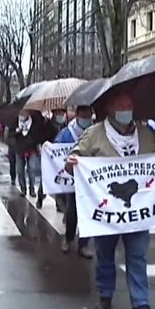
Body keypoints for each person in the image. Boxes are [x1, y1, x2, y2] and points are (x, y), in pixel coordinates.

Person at [65, 92, 155, 309]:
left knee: (138, 256)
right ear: (109, 109)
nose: (126, 110)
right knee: (105, 255)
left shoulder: (145, 134)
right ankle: (105, 297)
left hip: (137, 211)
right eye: (121, 106)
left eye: (129, 105)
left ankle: (141, 303)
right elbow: (73, 160)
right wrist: (73, 163)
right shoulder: (94, 134)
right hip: (105, 212)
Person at [55, 106, 94, 258]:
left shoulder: (96, 132)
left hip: (91, 181)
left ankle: (84, 244)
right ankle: (68, 238)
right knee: (72, 213)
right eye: (83, 115)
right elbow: (56, 151)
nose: (86, 118)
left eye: (88, 115)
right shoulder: (66, 133)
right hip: (73, 181)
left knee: (88, 213)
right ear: (77, 116)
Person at [36, 108, 69, 209]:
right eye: (58, 113)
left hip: (61, 156)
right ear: (54, 114)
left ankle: (59, 204)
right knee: (47, 177)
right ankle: (41, 196)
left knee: (61, 179)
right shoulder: (47, 125)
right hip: (50, 156)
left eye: (62, 113)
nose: (60, 115)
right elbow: (42, 139)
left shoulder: (66, 125)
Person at [12, 109, 45, 198]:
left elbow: (39, 134)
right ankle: (23, 188)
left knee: (32, 169)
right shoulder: (15, 122)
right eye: (21, 112)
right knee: (20, 170)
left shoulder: (35, 122)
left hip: (32, 149)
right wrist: (16, 132)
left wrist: (37, 144)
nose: (22, 114)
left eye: (24, 112)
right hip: (19, 149)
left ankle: (32, 189)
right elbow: (9, 135)